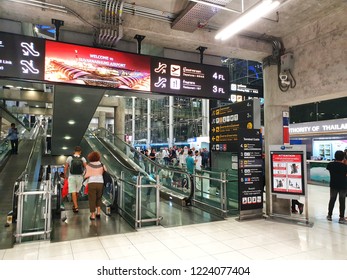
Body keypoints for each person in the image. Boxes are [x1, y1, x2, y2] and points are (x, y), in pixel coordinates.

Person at [64, 146, 87, 213]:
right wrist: (84, 175)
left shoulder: (69, 158)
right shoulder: (83, 158)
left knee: (73, 192)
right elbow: (86, 167)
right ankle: (75, 204)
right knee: (77, 192)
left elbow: (65, 168)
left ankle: (76, 206)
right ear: (80, 152)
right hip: (80, 177)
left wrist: (65, 176)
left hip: (71, 177)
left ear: (74, 151)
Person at [326, 150, 347, 223]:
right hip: (343, 185)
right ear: (343, 157)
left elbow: (329, 169)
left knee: (332, 199)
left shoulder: (330, 164)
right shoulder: (345, 166)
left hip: (333, 184)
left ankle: (329, 215)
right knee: (342, 201)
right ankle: (341, 218)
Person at [84, 151, 105, 220]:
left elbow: (85, 175)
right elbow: (105, 171)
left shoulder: (89, 165)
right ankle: (98, 213)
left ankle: (93, 215)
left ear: (90, 157)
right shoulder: (102, 164)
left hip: (92, 183)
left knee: (92, 199)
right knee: (99, 198)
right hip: (100, 183)